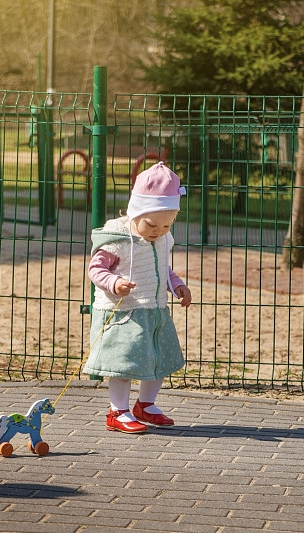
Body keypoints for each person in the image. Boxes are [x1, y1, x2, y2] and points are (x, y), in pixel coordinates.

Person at [84, 161, 192, 434]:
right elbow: (96, 269)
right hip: (124, 312)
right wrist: (115, 282)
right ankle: (116, 411)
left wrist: (177, 286)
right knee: (124, 363)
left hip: (154, 309)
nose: (158, 231)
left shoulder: (163, 239)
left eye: (167, 225)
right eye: (151, 224)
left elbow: (162, 269)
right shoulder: (118, 238)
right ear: (135, 212)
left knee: (158, 359)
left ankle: (145, 404)